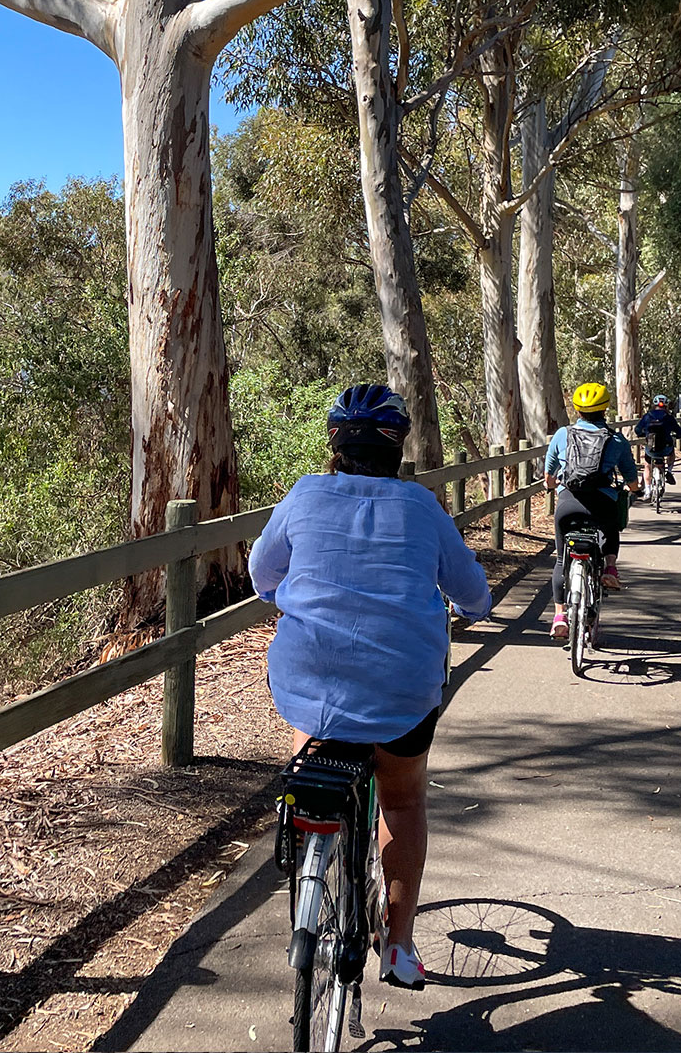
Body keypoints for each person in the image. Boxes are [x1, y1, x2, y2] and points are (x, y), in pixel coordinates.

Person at [250, 383, 493, 992]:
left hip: (308, 678)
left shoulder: (304, 493)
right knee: (403, 800)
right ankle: (399, 944)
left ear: (333, 443)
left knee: (316, 746)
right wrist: (475, 605)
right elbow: (471, 595)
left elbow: (261, 574)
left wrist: (293, 600)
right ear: (397, 447)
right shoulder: (421, 507)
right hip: (401, 691)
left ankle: (310, 845)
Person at [543, 382, 641, 641]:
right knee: (611, 528)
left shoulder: (562, 435)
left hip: (568, 505)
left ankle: (560, 617)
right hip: (602, 504)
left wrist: (551, 484)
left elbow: (549, 475)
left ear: (577, 409)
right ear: (604, 408)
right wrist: (634, 489)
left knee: (562, 559)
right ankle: (609, 568)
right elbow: (631, 476)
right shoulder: (617, 440)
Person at [634, 394, 681, 489]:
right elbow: (679, 432)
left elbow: (637, 430)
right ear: (666, 405)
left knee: (647, 465)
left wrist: (643, 434)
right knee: (672, 453)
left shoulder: (647, 416)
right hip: (666, 448)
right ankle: (669, 471)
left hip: (651, 449)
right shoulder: (669, 417)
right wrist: (677, 435)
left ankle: (648, 490)